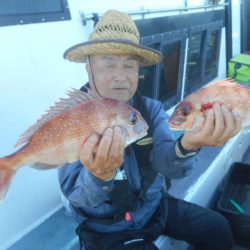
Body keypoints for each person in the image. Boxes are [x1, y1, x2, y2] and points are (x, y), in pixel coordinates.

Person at [59, 9, 241, 250]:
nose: (120, 77)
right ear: (89, 69)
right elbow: (78, 199)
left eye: (130, 66)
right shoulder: (72, 119)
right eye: (108, 65)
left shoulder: (151, 110)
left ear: (138, 72)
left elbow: (167, 166)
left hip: (155, 208)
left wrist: (188, 145)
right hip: (108, 229)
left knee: (218, 227)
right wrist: (99, 177)